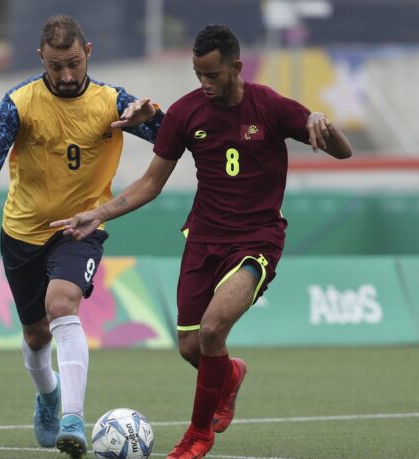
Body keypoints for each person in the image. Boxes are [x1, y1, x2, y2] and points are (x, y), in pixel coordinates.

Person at [51, 24, 353, 458]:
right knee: (193, 346)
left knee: (212, 329)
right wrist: (97, 213)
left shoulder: (270, 105)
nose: (205, 85)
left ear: (236, 67)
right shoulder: (185, 113)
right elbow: (151, 183)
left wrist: (325, 122)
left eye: (213, 75)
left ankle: (197, 436)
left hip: (256, 241)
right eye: (198, 75)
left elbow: (341, 151)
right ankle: (229, 374)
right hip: (203, 239)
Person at [0, 15, 163, 459]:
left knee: (62, 305)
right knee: (36, 335)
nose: (67, 75)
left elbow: (171, 136)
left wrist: (154, 118)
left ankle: (73, 419)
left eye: (74, 63)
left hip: (83, 226)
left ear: (88, 51)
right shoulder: (20, 102)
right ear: (42, 59)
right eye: (56, 66)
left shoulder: (114, 102)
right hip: (22, 231)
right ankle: (50, 395)